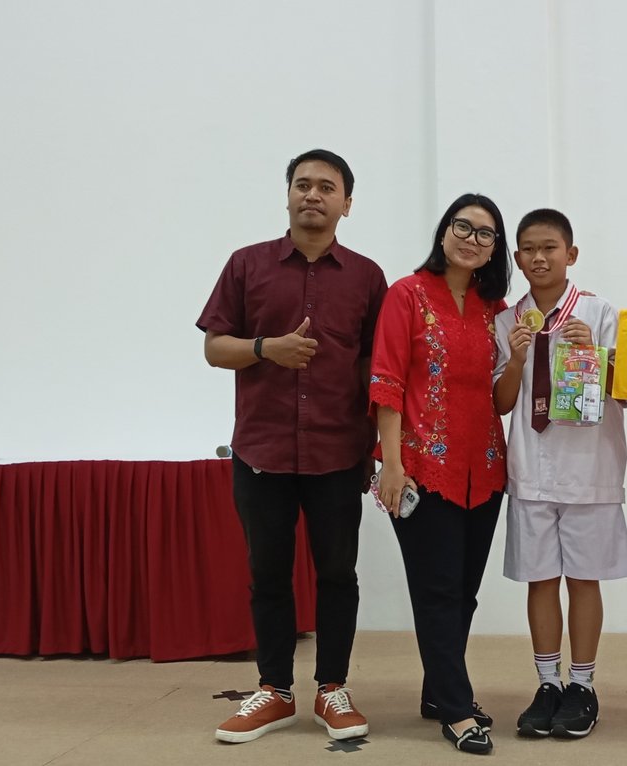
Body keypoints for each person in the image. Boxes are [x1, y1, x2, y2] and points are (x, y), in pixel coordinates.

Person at [198, 149, 387, 745]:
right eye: (302, 185)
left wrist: (380, 450)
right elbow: (214, 348)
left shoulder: (366, 276)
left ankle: (332, 689)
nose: (313, 195)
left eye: (326, 187)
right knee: (269, 575)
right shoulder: (246, 265)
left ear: (346, 204)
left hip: (337, 452)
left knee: (338, 575)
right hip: (262, 452)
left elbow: (372, 370)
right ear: (287, 196)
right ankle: (275, 692)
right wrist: (265, 349)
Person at [370, 193, 512, 755]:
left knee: (465, 595)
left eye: (485, 234)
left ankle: (436, 691)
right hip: (422, 467)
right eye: (464, 226)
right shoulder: (406, 295)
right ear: (444, 230)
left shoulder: (493, 308)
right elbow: (386, 382)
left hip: (486, 466)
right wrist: (392, 465)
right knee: (437, 590)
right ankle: (457, 709)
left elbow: (500, 397)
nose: (472, 239)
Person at [492, 209, 627, 740]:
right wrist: (513, 362)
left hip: (590, 469)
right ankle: (547, 682)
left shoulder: (600, 314)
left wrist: (590, 354)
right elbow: (502, 404)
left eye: (549, 247)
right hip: (530, 469)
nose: (538, 257)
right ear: (517, 258)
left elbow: (626, 390)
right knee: (540, 578)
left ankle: (583, 684)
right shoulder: (508, 322)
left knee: (584, 576)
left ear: (570, 254)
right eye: (528, 248)